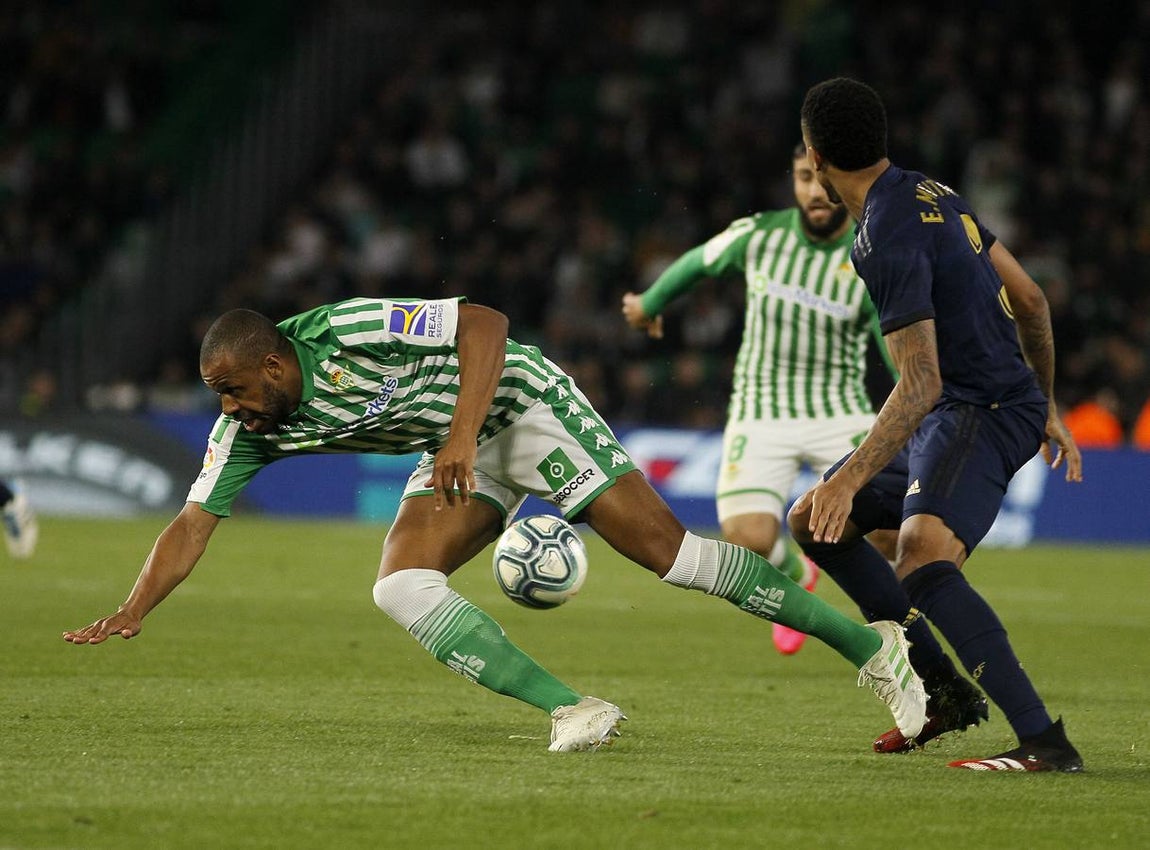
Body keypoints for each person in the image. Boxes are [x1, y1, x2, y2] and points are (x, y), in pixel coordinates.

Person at [63, 296, 926, 752]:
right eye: (220, 397)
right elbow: (190, 524)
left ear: (274, 362)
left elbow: (485, 323)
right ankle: (574, 709)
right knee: (400, 586)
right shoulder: (246, 433)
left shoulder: (347, 330)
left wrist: (461, 433)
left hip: (520, 405)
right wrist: (135, 607)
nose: (231, 409)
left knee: (671, 555)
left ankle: (873, 648)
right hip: (459, 450)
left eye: (236, 390)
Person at [790, 77, 1084, 771]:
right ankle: (942, 694)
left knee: (920, 556)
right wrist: (1045, 400)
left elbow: (921, 383)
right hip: (976, 406)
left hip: (978, 411)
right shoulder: (931, 191)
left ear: (816, 156)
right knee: (813, 522)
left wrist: (849, 479)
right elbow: (1031, 299)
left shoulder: (881, 237)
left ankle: (1045, 742)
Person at [623, 141, 905, 657]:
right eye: (803, 178)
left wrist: (916, 399)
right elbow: (699, 261)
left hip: (839, 412)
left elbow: (895, 347)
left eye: (822, 179)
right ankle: (797, 571)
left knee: (889, 536)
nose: (814, 191)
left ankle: (906, 641)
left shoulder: (870, 254)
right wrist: (650, 302)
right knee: (747, 539)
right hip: (761, 411)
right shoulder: (760, 236)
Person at [1, 479, 38, 559]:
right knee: (15, 530)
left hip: (14, 503)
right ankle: (20, 552)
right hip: (8, 506)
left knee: (24, 525)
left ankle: (22, 552)